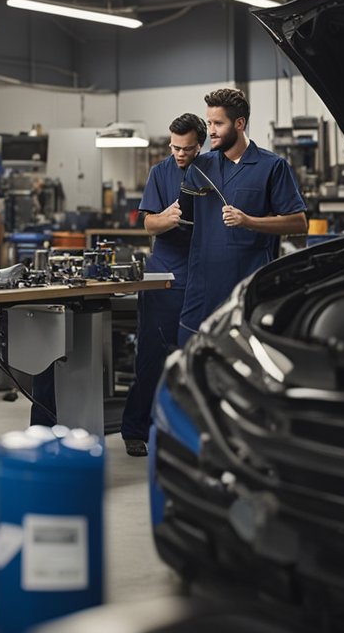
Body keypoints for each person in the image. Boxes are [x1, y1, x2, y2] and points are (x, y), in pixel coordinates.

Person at [178, 88, 307, 348]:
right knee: (192, 365)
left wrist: (248, 221)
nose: (210, 130)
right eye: (208, 123)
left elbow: (298, 222)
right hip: (202, 291)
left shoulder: (272, 166)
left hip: (247, 290)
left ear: (239, 124)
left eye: (218, 123)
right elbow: (184, 220)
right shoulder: (199, 168)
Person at [119, 113, 206, 457]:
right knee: (152, 355)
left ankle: (189, 431)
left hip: (204, 272)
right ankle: (136, 429)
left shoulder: (215, 169)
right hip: (166, 272)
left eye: (186, 149)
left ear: (200, 145)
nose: (179, 154)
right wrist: (166, 219)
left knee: (197, 357)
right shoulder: (161, 172)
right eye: (174, 147)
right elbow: (148, 224)